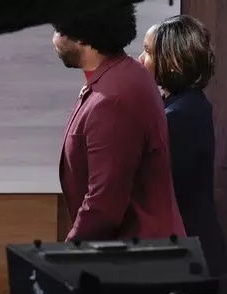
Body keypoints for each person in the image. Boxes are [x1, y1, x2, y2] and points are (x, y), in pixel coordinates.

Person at [51, 4, 185, 241]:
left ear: (81, 37)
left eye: (58, 31)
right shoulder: (121, 75)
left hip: (138, 259)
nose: (54, 40)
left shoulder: (114, 97)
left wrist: (68, 253)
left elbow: (104, 205)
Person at [139, 15, 226, 276]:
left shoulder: (178, 115)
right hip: (194, 246)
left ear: (173, 61)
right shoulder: (187, 103)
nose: (140, 60)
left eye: (147, 51)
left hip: (190, 253)